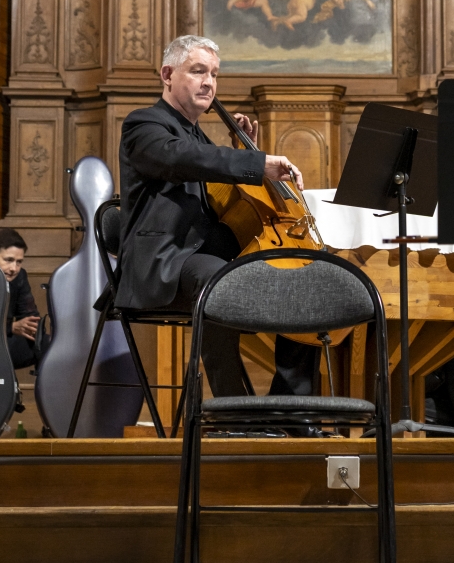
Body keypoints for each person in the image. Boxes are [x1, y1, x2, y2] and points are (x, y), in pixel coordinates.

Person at [117, 34, 320, 400]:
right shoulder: (143, 126)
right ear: (167, 74)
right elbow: (182, 158)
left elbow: (216, 178)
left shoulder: (198, 138)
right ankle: (234, 410)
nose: (209, 82)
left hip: (206, 255)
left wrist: (242, 146)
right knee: (219, 280)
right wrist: (255, 161)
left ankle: (290, 406)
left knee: (302, 279)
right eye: (198, 71)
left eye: (214, 74)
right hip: (162, 262)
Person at [0, 228, 40, 370]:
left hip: (5, 339)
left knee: (48, 344)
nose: (14, 268)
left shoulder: (19, 276)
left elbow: (30, 314)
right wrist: (11, 327)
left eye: (19, 262)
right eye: (9, 260)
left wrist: (32, 327)